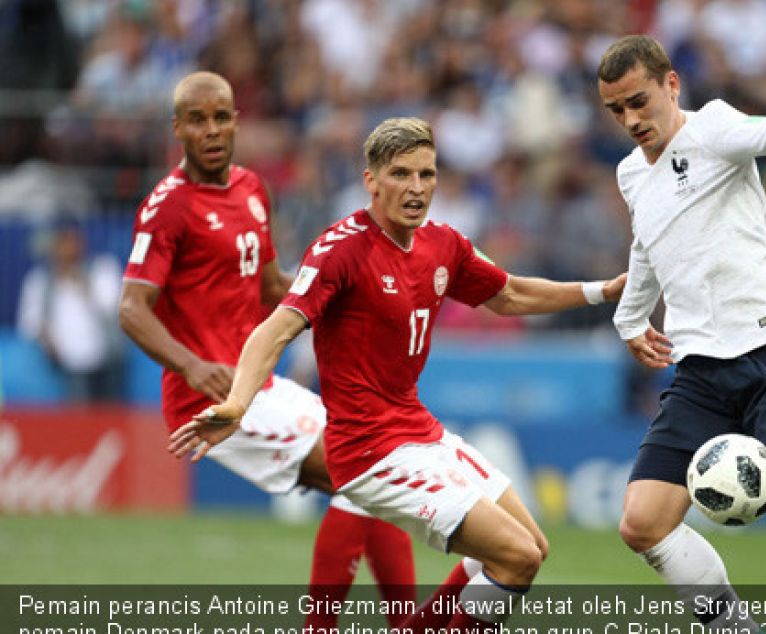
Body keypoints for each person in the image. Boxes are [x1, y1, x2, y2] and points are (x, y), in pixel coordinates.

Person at [168, 116, 625, 633]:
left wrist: (600, 291)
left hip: (416, 428)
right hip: (368, 448)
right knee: (515, 558)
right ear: (372, 181)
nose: (416, 188)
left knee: (532, 546)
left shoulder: (442, 244)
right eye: (402, 174)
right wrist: (237, 404)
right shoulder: (340, 249)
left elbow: (510, 294)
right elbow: (272, 331)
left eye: (426, 175)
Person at [117, 71, 414, 630]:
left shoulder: (251, 187)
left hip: (258, 383)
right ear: (177, 127)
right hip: (209, 402)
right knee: (363, 468)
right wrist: (192, 364)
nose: (211, 129)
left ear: (235, 120)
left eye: (221, 116)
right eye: (197, 119)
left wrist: (352, 305)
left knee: (377, 466)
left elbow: (273, 287)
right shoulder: (167, 207)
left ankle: (405, 622)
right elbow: (132, 307)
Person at [596, 35, 766, 630]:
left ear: (671, 85)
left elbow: (763, 133)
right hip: (701, 374)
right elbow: (648, 246)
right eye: (616, 110)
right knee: (641, 524)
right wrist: (630, 319)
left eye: (638, 101)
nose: (631, 119)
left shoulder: (712, 127)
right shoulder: (630, 175)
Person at [17, 219, 123, 402]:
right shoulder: (40, 280)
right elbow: (30, 322)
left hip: (107, 360)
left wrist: (83, 284)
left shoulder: (102, 268)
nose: (67, 248)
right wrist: (46, 339)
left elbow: (115, 310)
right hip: (66, 363)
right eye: (62, 242)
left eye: (71, 241)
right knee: (78, 420)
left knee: (110, 417)